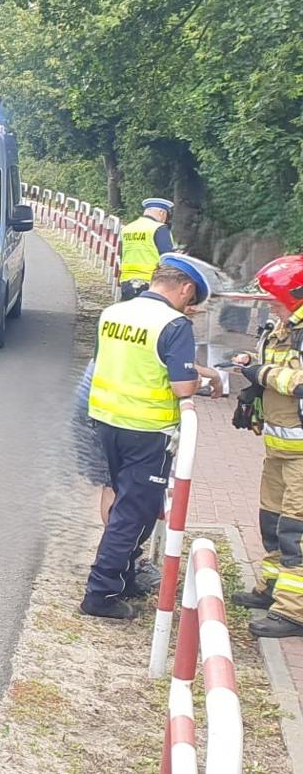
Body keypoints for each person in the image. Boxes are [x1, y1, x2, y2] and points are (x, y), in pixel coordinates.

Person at [81, 255, 209, 619]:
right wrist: (203, 381)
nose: (190, 306)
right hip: (147, 430)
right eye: (192, 298)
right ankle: (101, 593)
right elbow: (182, 385)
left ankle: (127, 575)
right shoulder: (175, 324)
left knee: (125, 502)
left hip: (106, 421)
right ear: (185, 288)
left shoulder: (114, 313)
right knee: (133, 514)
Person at [233, 255, 303, 638]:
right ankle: (272, 589)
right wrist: (253, 385)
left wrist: (260, 373)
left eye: (275, 299)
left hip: (301, 457)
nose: (270, 305)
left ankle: (293, 613)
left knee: (297, 531)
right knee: (272, 522)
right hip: (280, 450)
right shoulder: (283, 329)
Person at [118, 198, 178, 300]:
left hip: (127, 280)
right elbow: (166, 257)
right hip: (151, 282)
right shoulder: (159, 228)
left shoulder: (127, 228)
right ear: (161, 213)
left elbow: (121, 254)